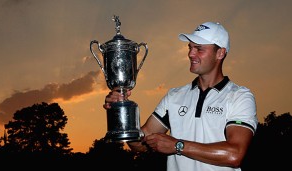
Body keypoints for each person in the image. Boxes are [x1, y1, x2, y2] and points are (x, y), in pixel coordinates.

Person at [103, 21, 258, 171]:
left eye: (199, 48)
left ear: (220, 53)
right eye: (190, 47)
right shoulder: (174, 96)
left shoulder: (239, 96)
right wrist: (121, 111)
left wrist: (178, 146)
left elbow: (234, 154)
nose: (191, 53)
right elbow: (140, 145)